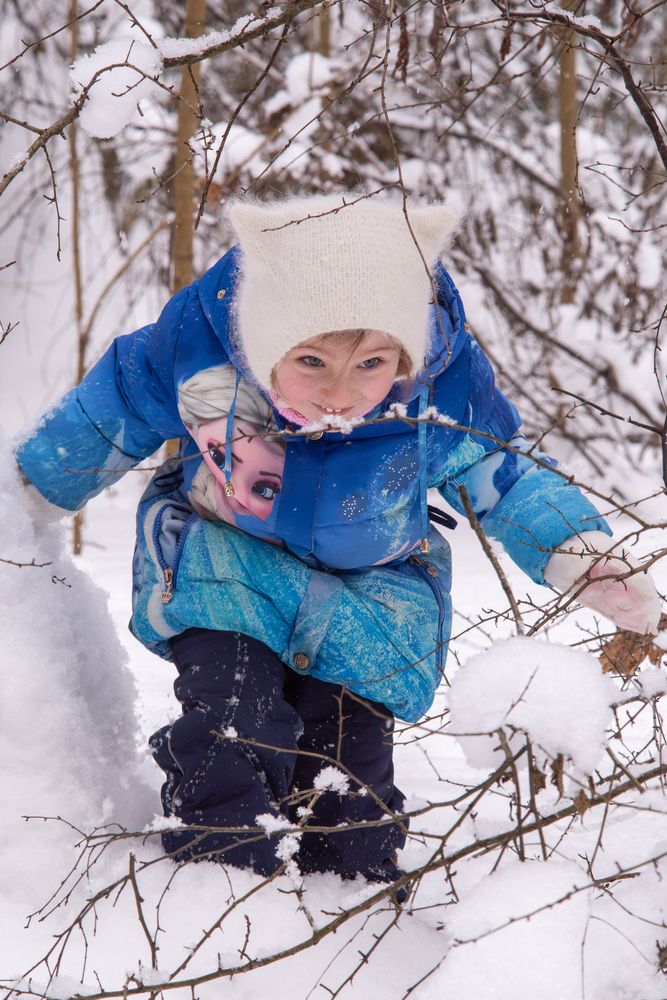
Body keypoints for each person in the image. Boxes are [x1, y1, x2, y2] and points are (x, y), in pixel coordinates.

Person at [15, 194, 662, 891]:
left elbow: (498, 469)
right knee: (237, 726)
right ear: (264, 342)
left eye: (370, 364)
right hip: (225, 563)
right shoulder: (197, 352)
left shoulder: (436, 391)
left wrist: (579, 554)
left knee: (349, 784)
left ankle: (342, 908)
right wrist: (25, 498)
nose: (339, 394)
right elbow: (108, 412)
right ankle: (219, 892)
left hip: (369, 593)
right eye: (312, 362)